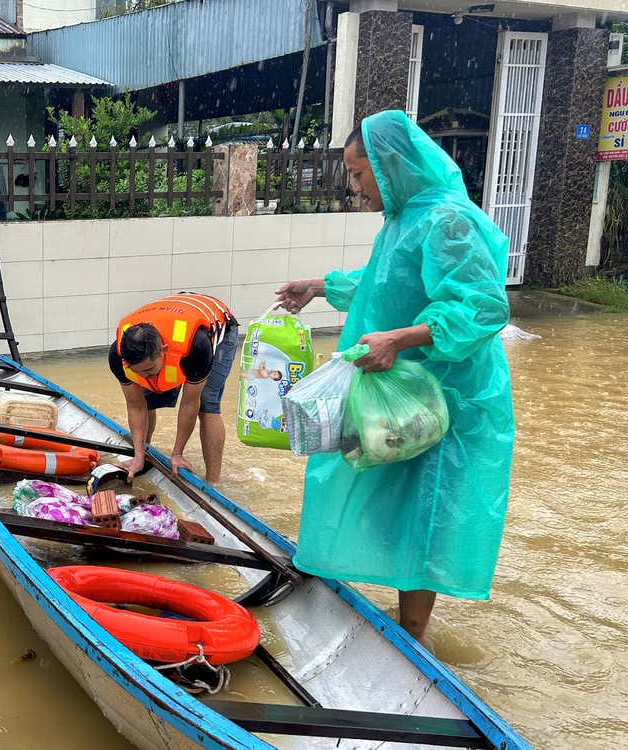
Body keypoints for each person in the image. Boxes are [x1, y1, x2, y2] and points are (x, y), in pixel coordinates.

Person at [274, 110, 514, 643]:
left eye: (360, 175)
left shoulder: (448, 220)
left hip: (443, 396)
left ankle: (413, 638)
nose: (356, 188)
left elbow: (482, 305)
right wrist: (318, 286)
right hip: (395, 389)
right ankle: (375, 605)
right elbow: (381, 281)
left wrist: (401, 339)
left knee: (426, 508)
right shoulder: (405, 219)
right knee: (376, 488)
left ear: (391, 168)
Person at [109, 293, 239, 483]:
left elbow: (189, 404)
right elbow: (136, 406)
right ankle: (142, 457)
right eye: (138, 372)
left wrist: (177, 453)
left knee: (207, 405)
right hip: (172, 312)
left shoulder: (197, 346)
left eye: (150, 369)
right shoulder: (118, 355)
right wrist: (137, 456)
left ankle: (213, 481)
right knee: (147, 399)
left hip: (218, 328)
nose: (145, 376)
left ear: (164, 350)